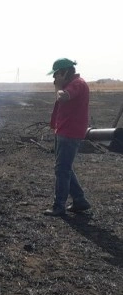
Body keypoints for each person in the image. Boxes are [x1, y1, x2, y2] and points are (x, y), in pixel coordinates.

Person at [43, 58, 91, 216]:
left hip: (70, 132)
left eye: (56, 74)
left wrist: (59, 88)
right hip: (65, 130)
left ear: (64, 72)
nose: (54, 78)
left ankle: (59, 206)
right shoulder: (73, 83)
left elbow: (64, 97)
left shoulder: (77, 84)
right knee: (64, 168)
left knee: (62, 169)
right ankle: (79, 200)